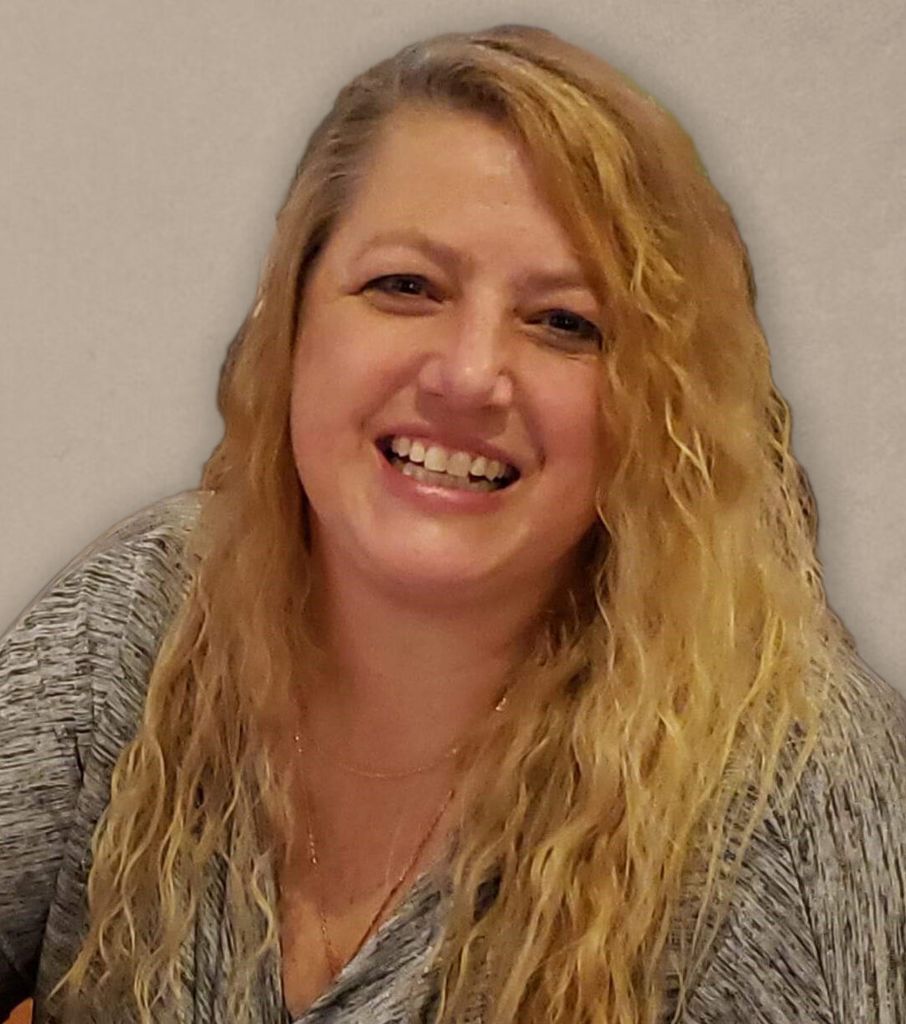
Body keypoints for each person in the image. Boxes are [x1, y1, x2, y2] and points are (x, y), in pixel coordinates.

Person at [1, 21, 904, 1024]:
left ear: (661, 406)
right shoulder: (141, 619)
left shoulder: (784, 791)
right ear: (292, 322)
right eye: (406, 287)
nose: (470, 375)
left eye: (565, 323)